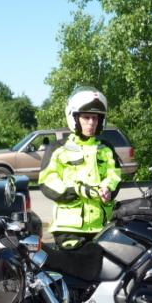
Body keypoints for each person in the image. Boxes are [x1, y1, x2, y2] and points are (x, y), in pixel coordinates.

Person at [38, 86, 122, 249]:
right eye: (86, 117)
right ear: (74, 118)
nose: (91, 122)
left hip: (102, 226)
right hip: (69, 229)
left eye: (95, 118)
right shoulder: (58, 148)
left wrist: (108, 188)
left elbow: (115, 175)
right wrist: (76, 190)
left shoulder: (106, 149)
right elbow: (47, 181)